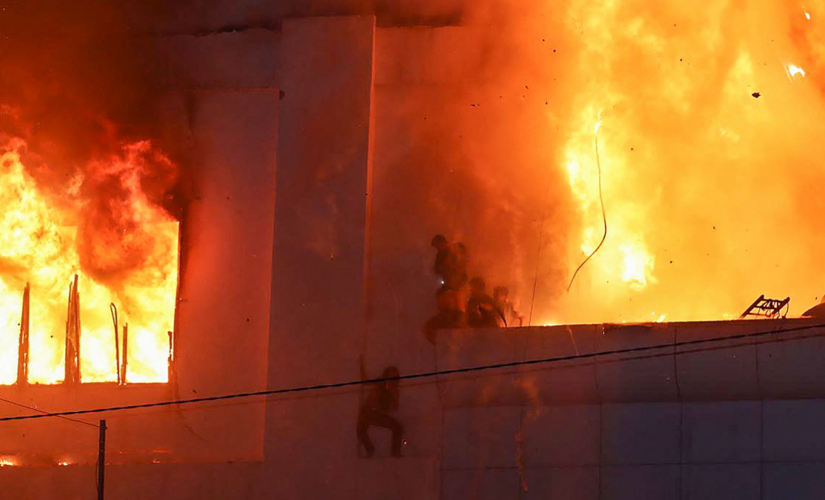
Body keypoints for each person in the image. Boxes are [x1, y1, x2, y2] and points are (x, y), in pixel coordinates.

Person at [357, 358, 404, 458]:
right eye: (390, 376)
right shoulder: (379, 383)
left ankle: (395, 452)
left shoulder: (394, 390)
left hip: (380, 415)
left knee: (398, 427)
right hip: (368, 412)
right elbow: (366, 383)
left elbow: (395, 407)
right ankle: (370, 449)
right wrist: (361, 366)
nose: (392, 380)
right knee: (360, 430)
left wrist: (392, 393)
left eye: (394, 378)